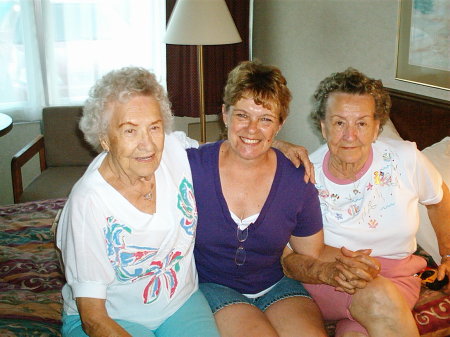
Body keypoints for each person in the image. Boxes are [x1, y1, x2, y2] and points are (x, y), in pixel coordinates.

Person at [187, 60, 378, 337]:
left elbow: (311, 251)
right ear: (225, 114)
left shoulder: (296, 178)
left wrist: (346, 265)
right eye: (242, 115)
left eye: (265, 119)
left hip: (277, 286)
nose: (252, 129)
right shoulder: (191, 167)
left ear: (280, 124)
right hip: (213, 286)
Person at [283, 67, 450, 337]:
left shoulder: (404, 159)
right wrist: (330, 270)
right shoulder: (304, 175)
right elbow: (288, 257)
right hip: (328, 278)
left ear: (376, 128)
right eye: (339, 123)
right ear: (323, 127)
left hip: (398, 278)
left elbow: (439, 198)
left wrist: (447, 253)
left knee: (356, 333)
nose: (350, 135)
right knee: (378, 296)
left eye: (361, 123)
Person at [56, 67, 220, 337]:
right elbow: (94, 319)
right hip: (112, 318)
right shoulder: (89, 203)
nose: (148, 145)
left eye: (154, 127)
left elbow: (224, 157)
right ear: (105, 138)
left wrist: (275, 149)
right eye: (130, 131)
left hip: (179, 302)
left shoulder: (174, 150)